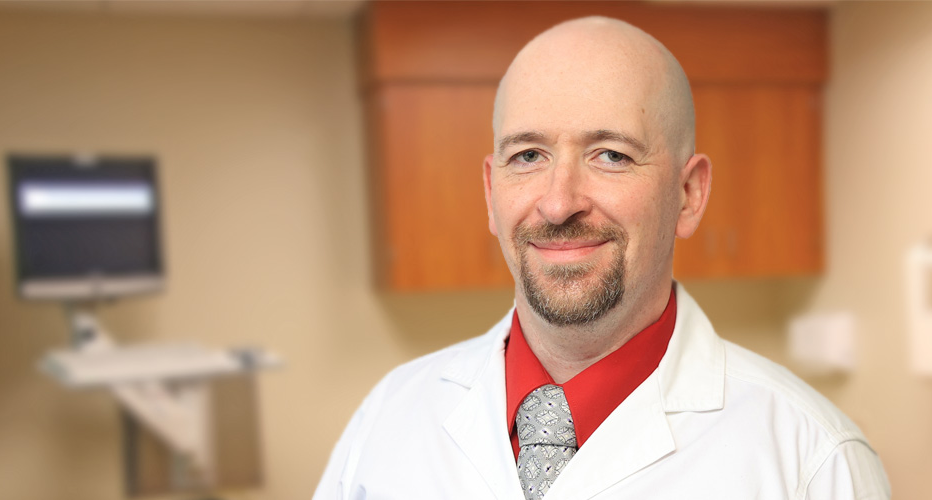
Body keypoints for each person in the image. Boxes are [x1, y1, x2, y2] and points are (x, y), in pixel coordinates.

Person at [314, 16, 890, 500]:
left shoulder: (813, 461)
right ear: (491, 194)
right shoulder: (387, 419)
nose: (559, 201)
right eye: (528, 155)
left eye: (611, 154)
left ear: (688, 195)